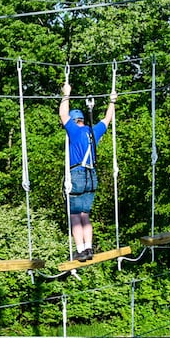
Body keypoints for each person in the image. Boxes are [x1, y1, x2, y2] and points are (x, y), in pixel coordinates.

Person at [58, 82, 116, 262]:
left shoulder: (74, 131)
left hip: (77, 175)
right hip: (92, 176)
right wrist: (112, 102)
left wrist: (66, 94)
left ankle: (81, 250)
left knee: (75, 216)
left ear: (74, 121)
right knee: (85, 215)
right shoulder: (93, 131)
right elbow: (107, 120)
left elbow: (62, 114)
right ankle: (89, 247)